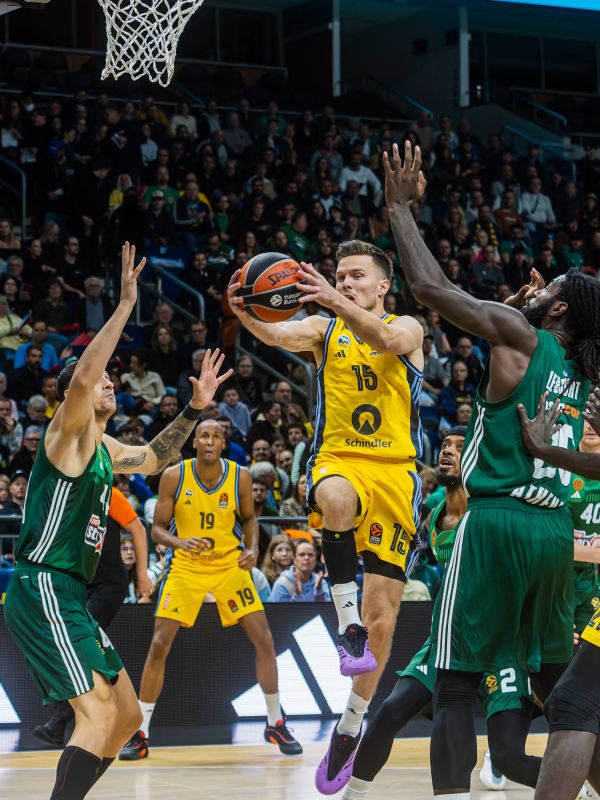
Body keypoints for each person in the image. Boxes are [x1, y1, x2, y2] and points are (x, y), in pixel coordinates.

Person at [383, 140, 600, 799]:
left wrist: (398, 209)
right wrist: (520, 307)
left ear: (558, 309)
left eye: (550, 289)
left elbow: (429, 288)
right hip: (554, 535)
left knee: (451, 679)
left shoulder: (519, 334)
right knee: (567, 692)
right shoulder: (584, 368)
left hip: (497, 522)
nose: (539, 287)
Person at [3, 243, 232, 800]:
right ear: (73, 395)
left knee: (127, 717)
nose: (110, 382)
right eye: (102, 378)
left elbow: (154, 457)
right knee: (97, 716)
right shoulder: (67, 433)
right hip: (45, 584)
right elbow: (83, 376)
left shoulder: (104, 446)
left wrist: (196, 407)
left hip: (70, 593)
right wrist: (127, 304)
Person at [228, 237, 424, 794]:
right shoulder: (322, 328)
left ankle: (350, 726)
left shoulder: (409, 328)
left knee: (384, 616)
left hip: (396, 472)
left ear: (383, 284)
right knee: (334, 500)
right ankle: (346, 625)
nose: (345, 282)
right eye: (339, 274)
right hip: (340, 459)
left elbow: (384, 336)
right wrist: (246, 311)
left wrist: (336, 302)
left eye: (357, 275)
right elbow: (278, 331)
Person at [343, 427, 543, 800]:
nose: (448, 451)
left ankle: (578, 782)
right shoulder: (435, 517)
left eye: (460, 447)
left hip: (501, 645)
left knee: (510, 758)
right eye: (445, 445)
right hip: (448, 639)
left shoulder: (497, 508)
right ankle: (352, 794)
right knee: (389, 713)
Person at [119, 420, 302, 761]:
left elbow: (249, 520)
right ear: (195, 442)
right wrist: (180, 542)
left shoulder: (241, 476)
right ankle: (141, 732)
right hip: (187, 566)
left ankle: (275, 721)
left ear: (222, 443)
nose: (209, 440)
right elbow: (156, 530)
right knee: (159, 644)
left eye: (217, 436)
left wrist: (251, 548)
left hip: (228, 565)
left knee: (264, 639)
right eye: (204, 434)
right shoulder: (175, 475)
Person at [518, 392, 600, 800]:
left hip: (588, 594)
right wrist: (543, 450)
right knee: (571, 701)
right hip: (569, 594)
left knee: (570, 701)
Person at [32, 486, 153, 747]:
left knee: (83, 644)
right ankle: (123, 727)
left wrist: (142, 573)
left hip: (108, 584)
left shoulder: (108, 493)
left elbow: (139, 529)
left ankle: (61, 722)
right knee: (87, 654)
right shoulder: (64, 496)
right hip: (77, 584)